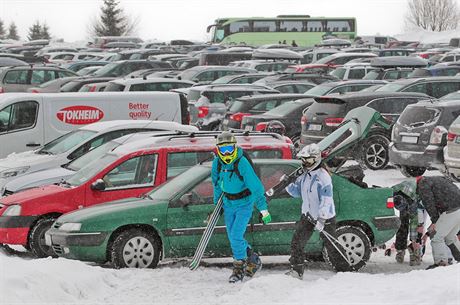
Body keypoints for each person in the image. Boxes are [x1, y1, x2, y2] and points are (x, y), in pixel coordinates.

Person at [212, 131, 271, 283]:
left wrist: (263, 210)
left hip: (244, 203)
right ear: (218, 150)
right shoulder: (217, 163)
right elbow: (216, 184)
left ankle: (239, 268)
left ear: (235, 147)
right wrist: (217, 206)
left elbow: (256, 187)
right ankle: (253, 259)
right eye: (223, 150)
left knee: (236, 236)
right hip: (228, 204)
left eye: (230, 149)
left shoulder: (241, 162)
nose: (226, 153)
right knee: (233, 237)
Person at [285, 143, 348, 279]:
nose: (305, 163)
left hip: (325, 217)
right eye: (303, 160)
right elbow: (297, 193)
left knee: (330, 243)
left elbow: (326, 200)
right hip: (307, 215)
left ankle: (344, 269)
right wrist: (288, 184)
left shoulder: (323, 177)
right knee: (297, 242)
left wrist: (322, 219)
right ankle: (297, 270)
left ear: (316, 159)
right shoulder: (304, 175)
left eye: (308, 160)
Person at [416, 176, 460, 269]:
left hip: (451, 210)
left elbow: (429, 203)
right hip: (457, 207)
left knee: (436, 237)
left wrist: (435, 220)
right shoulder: (438, 179)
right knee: (450, 237)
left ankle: (441, 262)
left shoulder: (423, 185)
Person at [392, 179, 427, 266]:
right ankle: (400, 250)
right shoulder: (394, 191)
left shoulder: (413, 202)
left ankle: (416, 252)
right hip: (403, 198)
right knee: (402, 225)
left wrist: (414, 240)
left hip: (418, 201)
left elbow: (414, 223)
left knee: (415, 227)